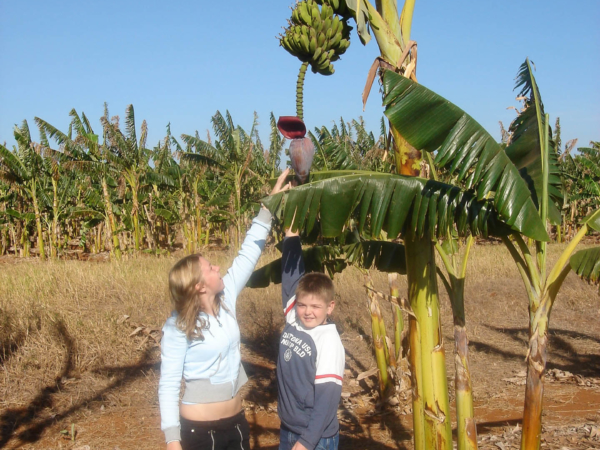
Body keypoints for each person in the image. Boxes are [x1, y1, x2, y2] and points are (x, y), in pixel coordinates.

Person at [158, 169, 291, 450]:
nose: (218, 268)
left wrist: (269, 207)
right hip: (198, 431)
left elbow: (247, 255)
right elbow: (168, 384)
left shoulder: (226, 298)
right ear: (198, 286)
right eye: (210, 268)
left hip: (236, 423)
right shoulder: (177, 326)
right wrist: (172, 440)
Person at [277, 228, 345, 450]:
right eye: (303, 305)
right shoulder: (293, 318)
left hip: (315, 438)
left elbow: (327, 399)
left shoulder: (329, 341)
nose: (307, 312)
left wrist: (306, 442)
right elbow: (291, 278)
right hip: (288, 428)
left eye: (316, 307)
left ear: (330, 307)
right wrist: (291, 238)